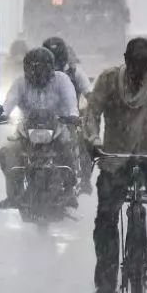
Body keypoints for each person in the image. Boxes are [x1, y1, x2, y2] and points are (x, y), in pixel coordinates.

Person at [84, 38, 147, 293]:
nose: (138, 73)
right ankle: (106, 284)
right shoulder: (107, 81)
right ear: (125, 60)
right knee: (106, 218)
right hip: (116, 157)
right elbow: (92, 115)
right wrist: (93, 141)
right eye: (133, 65)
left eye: (143, 66)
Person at [0, 47, 80, 207]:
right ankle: (14, 193)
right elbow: (10, 101)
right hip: (26, 130)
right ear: (26, 69)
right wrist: (3, 114)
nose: (38, 73)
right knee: (7, 152)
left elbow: (71, 100)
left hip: (59, 128)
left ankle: (70, 190)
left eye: (42, 69)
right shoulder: (20, 83)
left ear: (51, 68)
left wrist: (73, 116)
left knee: (68, 147)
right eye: (34, 69)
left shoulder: (62, 80)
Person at [43, 36, 94, 193]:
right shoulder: (38, 74)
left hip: (70, 120)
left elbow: (89, 94)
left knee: (86, 141)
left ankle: (84, 180)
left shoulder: (76, 74)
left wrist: (87, 112)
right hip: (43, 121)